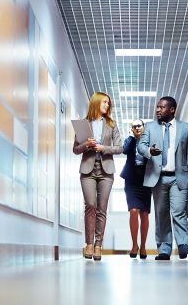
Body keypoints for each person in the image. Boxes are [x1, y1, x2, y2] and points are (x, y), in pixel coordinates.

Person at [137, 96, 188, 260]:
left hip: (179, 177)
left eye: (162, 107)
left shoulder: (185, 128)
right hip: (158, 177)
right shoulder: (150, 127)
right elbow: (141, 146)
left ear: (172, 109)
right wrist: (149, 151)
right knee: (161, 214)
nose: (158, 110)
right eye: (157, 107)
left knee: (179, 212)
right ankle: (164, 249)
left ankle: (183, 244)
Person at [73, 92, 122, 261]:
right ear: (95, 103)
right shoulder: (83, 124)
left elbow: (119, 148)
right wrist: (87, 144)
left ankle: (98, 245)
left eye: (108, 103)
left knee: (102, 209)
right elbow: (75, 149)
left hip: (106, 170)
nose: (107, 105)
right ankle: (88, 243)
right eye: (104, 102)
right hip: (88, 169)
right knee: (90, 206)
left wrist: (103, 148)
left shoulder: (111, 124)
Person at [120, 119, 152, 259]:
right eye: (134, 126)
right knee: (133, 211)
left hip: (146, 179)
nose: (137, 128)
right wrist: (131, 137)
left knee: (144, 214)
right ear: (132, 129)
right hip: (131, 180)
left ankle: (143, 246)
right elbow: (125, 150)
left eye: (139, 125)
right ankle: (134, 245)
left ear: (144, 127)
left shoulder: (149, 140)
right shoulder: (130, 140)